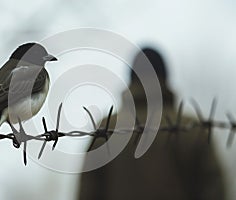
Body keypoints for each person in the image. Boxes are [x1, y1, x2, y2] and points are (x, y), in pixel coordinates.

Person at [78, 47, 226, 200]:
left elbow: (87, 192)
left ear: (131, 79)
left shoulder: (108, 128)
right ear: (165, 78)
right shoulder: (193, 130)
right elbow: (214, 190)